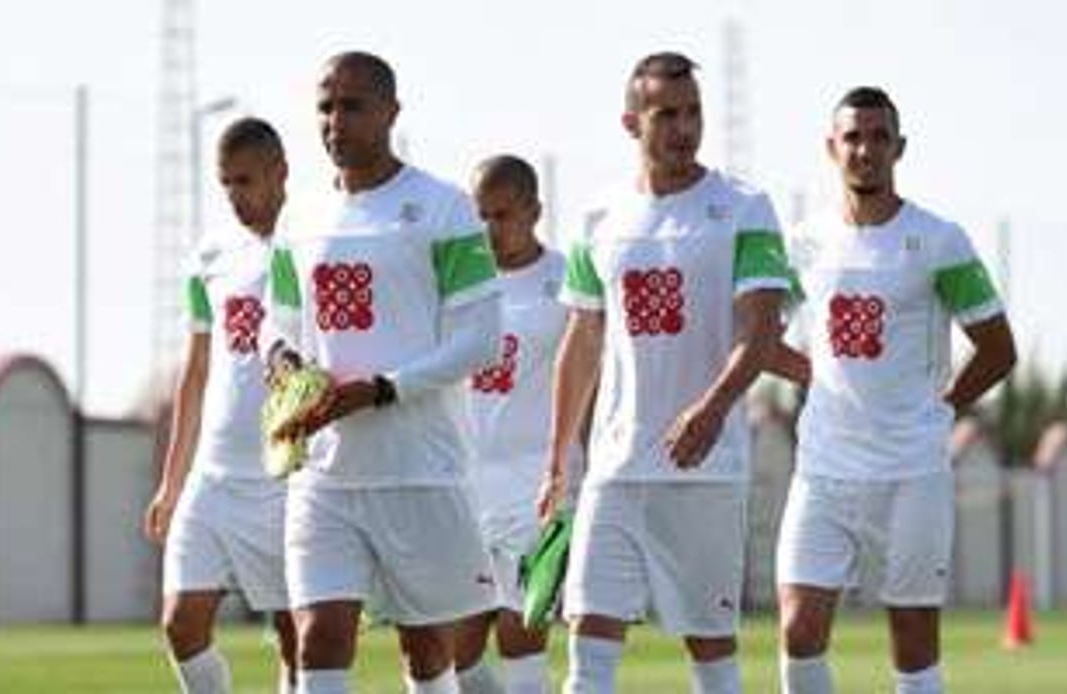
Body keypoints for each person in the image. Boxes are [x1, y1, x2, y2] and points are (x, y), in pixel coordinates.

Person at [537, 51, 791, 694]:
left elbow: (760, 332)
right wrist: (559, 457)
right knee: (588, 648)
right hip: (616, 471)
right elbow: (583, 337)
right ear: (632, 123)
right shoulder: (599, 216)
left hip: (705, 472)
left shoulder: (743, 207)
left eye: (693, 113)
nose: (683, 129)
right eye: (666, 114)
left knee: (711, 654)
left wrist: (710, 409)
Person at [264, 51, 501, 694]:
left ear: (390, 112)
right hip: (326, 473)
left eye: (352, 106)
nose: (335, 121)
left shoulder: (444, 208)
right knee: (318, 638)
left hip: (419, 469)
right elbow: (277, 322)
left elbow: (480, 340)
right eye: (324, 107)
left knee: (425, 649)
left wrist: (384, 390)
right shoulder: (299, 218)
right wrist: (282, 362)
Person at [767, 86, 1017, 694]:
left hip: (912, 469)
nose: (865, 150)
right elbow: (757, 338)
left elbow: (998, 349)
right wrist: (815, 376)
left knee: (911, 640)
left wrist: (945, 407)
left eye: (879, 138)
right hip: (824, 467)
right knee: (798, 631)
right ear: (832, 148)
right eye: (853, 137)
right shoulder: (802, 241)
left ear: (899, 147)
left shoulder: (938, 239)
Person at [143, 116, 297, 693]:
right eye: (226, 183)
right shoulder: (209, 256)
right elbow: (198, 369)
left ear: (281, 172)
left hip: (285, 479)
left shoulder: (312, 243)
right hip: (214, 479)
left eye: (247, 181)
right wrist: (172, 481)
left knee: (298, 637)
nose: (236, 196)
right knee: (181, 624)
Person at [455, 155, 578, 694]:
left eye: (502, 215)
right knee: (453, 652)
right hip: (463, 486)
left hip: (539, 488)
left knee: (519, 636)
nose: (489, 230)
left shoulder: (567, 279)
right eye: (480, 215)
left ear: (534, 211)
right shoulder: (456, 283)